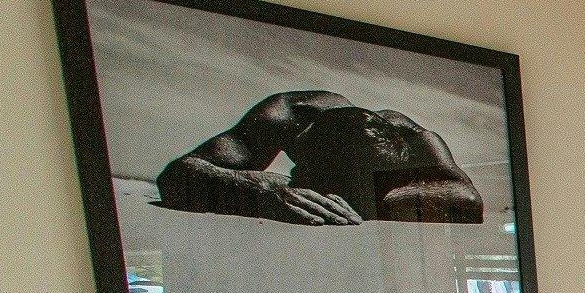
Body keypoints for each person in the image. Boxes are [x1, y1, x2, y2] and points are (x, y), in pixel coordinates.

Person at [156, 90, 484, 225]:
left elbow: (468, 199)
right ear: (303, 149)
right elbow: (176, 175)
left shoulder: (416, 139)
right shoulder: (286, 117)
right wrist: (263, 190)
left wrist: (374, 201)